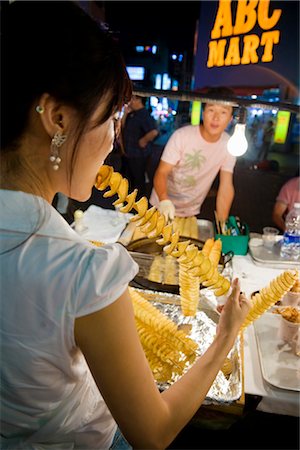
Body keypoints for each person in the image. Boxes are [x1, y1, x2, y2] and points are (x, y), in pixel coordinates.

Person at [0, 2, 251, 449]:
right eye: (111, 117)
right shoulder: (82, 271)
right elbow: (152, 433)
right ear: (58, 118)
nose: (114, 138)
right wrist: (227, 333)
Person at [150, 87, 236, 222]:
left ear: (230, 119)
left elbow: (226, 186)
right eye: (211, 110)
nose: (216, 118)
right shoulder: (182, 136)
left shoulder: (229, 145)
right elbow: (162, 172)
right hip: (161, 205)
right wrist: (164, 200)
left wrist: (222, 224)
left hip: (190, 211)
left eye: (223, 112)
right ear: (203, 112)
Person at [121, 95, 159, 198]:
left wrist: (143, 140)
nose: (129, 101)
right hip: (128, 153)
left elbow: (154, 131)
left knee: (138, 180)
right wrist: (125, 113)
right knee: (128, 179)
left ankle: (139, 203)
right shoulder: (132, 113)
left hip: (139, 155)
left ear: (138, 100)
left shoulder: (144, 114)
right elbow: (122, 126)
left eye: (132, 98)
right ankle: (128, 200)